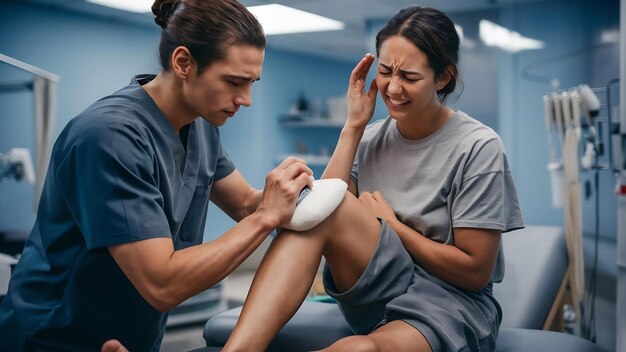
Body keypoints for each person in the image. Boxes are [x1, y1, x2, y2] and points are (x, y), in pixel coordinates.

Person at [0, 0, 314, 351]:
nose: (246, 99)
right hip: (55, 337)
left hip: (133, 335)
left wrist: (289, 195)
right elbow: (161, 283)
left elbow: (244, 203)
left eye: (252, 82)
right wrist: (266, 217)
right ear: (183, 63)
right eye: (233, 82)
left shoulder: (201, 126)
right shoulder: (110, 136)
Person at [223, 6, 524, 352]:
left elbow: (474, 273)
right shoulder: (370, 137)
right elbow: (316, 214)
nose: (393, 88)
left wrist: (394, 227)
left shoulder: (478, 147)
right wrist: (353, 127)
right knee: (326, 207)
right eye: (385, 72)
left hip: (448, 302)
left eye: (409, 77)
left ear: (443, 77)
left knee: (362, 349)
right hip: (379, 287)